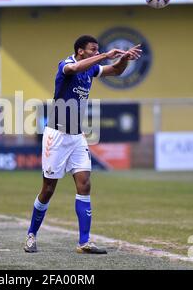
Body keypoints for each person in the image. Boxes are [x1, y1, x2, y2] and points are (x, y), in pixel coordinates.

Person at [24, 35, 141, 254]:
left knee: (85, 184)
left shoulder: (91, 69)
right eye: (93, 50)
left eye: (98, 50)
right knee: (48, 189)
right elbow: (75, 68)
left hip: (77, 136)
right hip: (56, 135)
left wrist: (124, 58)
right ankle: (31, 234)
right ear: (80, 51)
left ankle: (84, 242)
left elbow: (115, 71)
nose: (97, 53)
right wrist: (105, 56)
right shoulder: (66, 65)